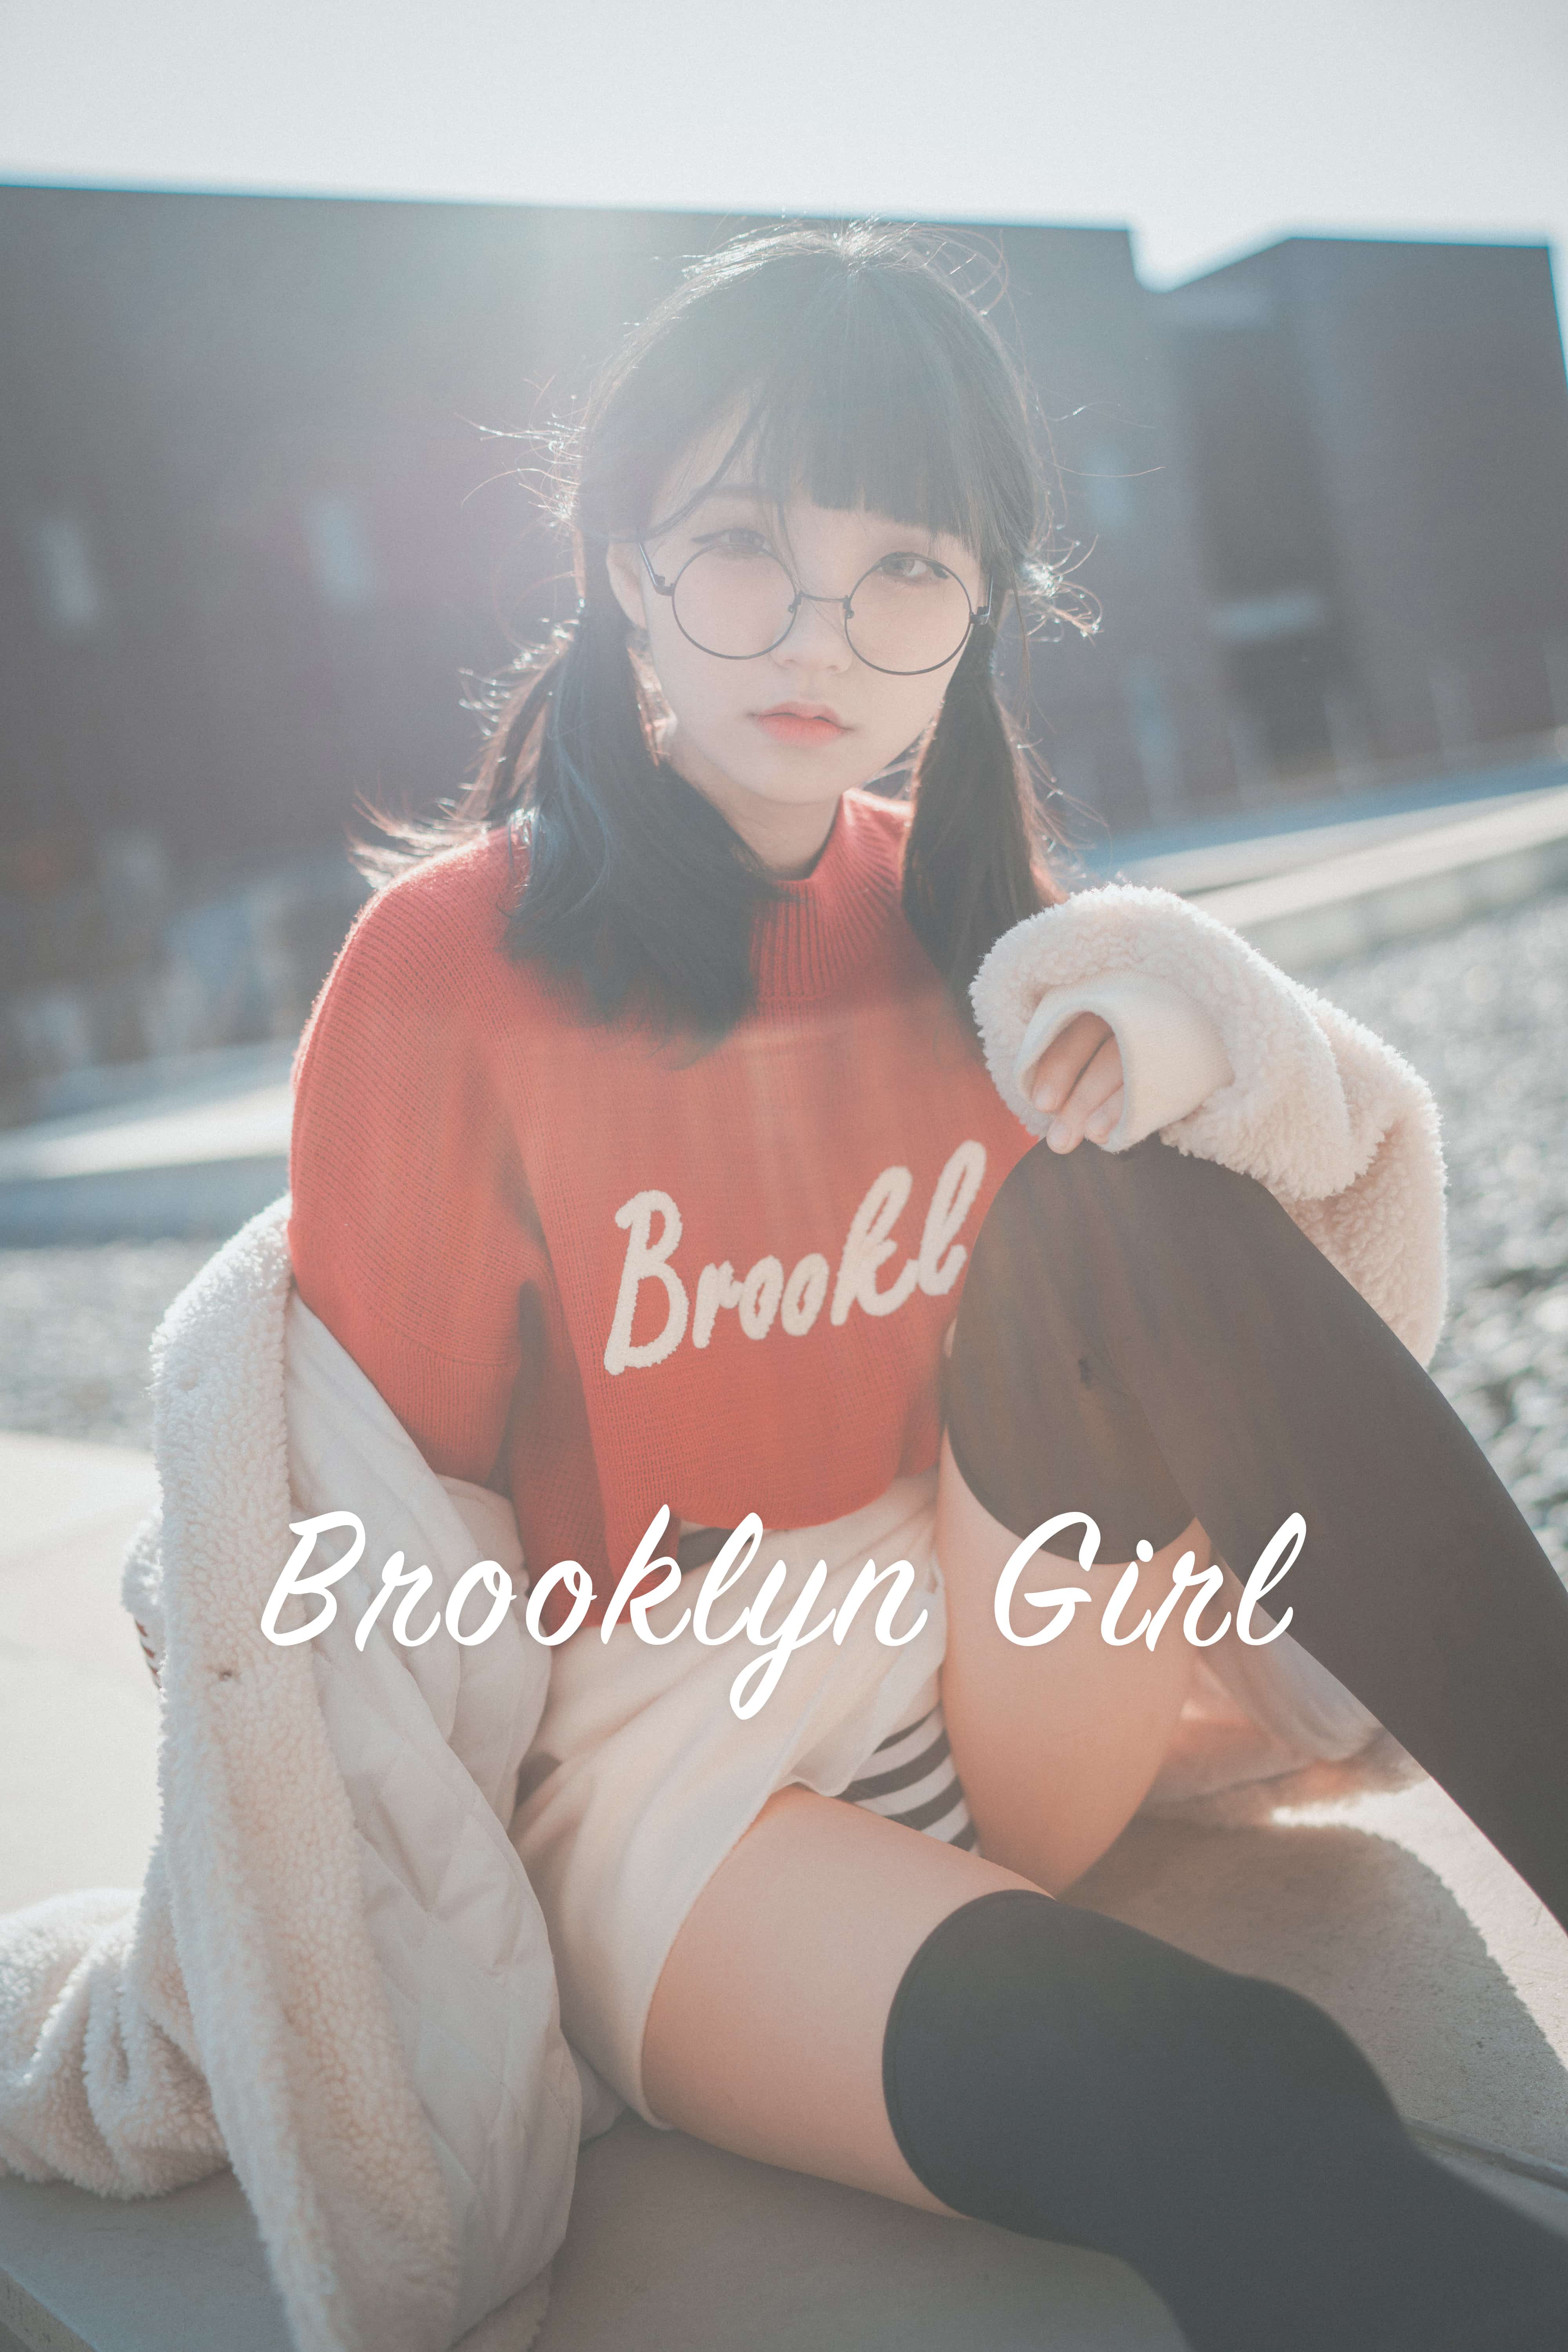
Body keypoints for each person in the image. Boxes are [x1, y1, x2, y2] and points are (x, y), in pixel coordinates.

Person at [287, 223, 1568, 2348]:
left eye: (906, 566)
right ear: (618, 564)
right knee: (1238, 2098)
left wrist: (1194, 1050)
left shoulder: (986, 926)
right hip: (687, 1808)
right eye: (736, 545)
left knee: (1123, 1209)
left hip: (997, 1694)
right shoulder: (445, 972)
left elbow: (1316, 1208)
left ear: (984, 605)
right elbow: (382, 1529)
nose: (823, 630)